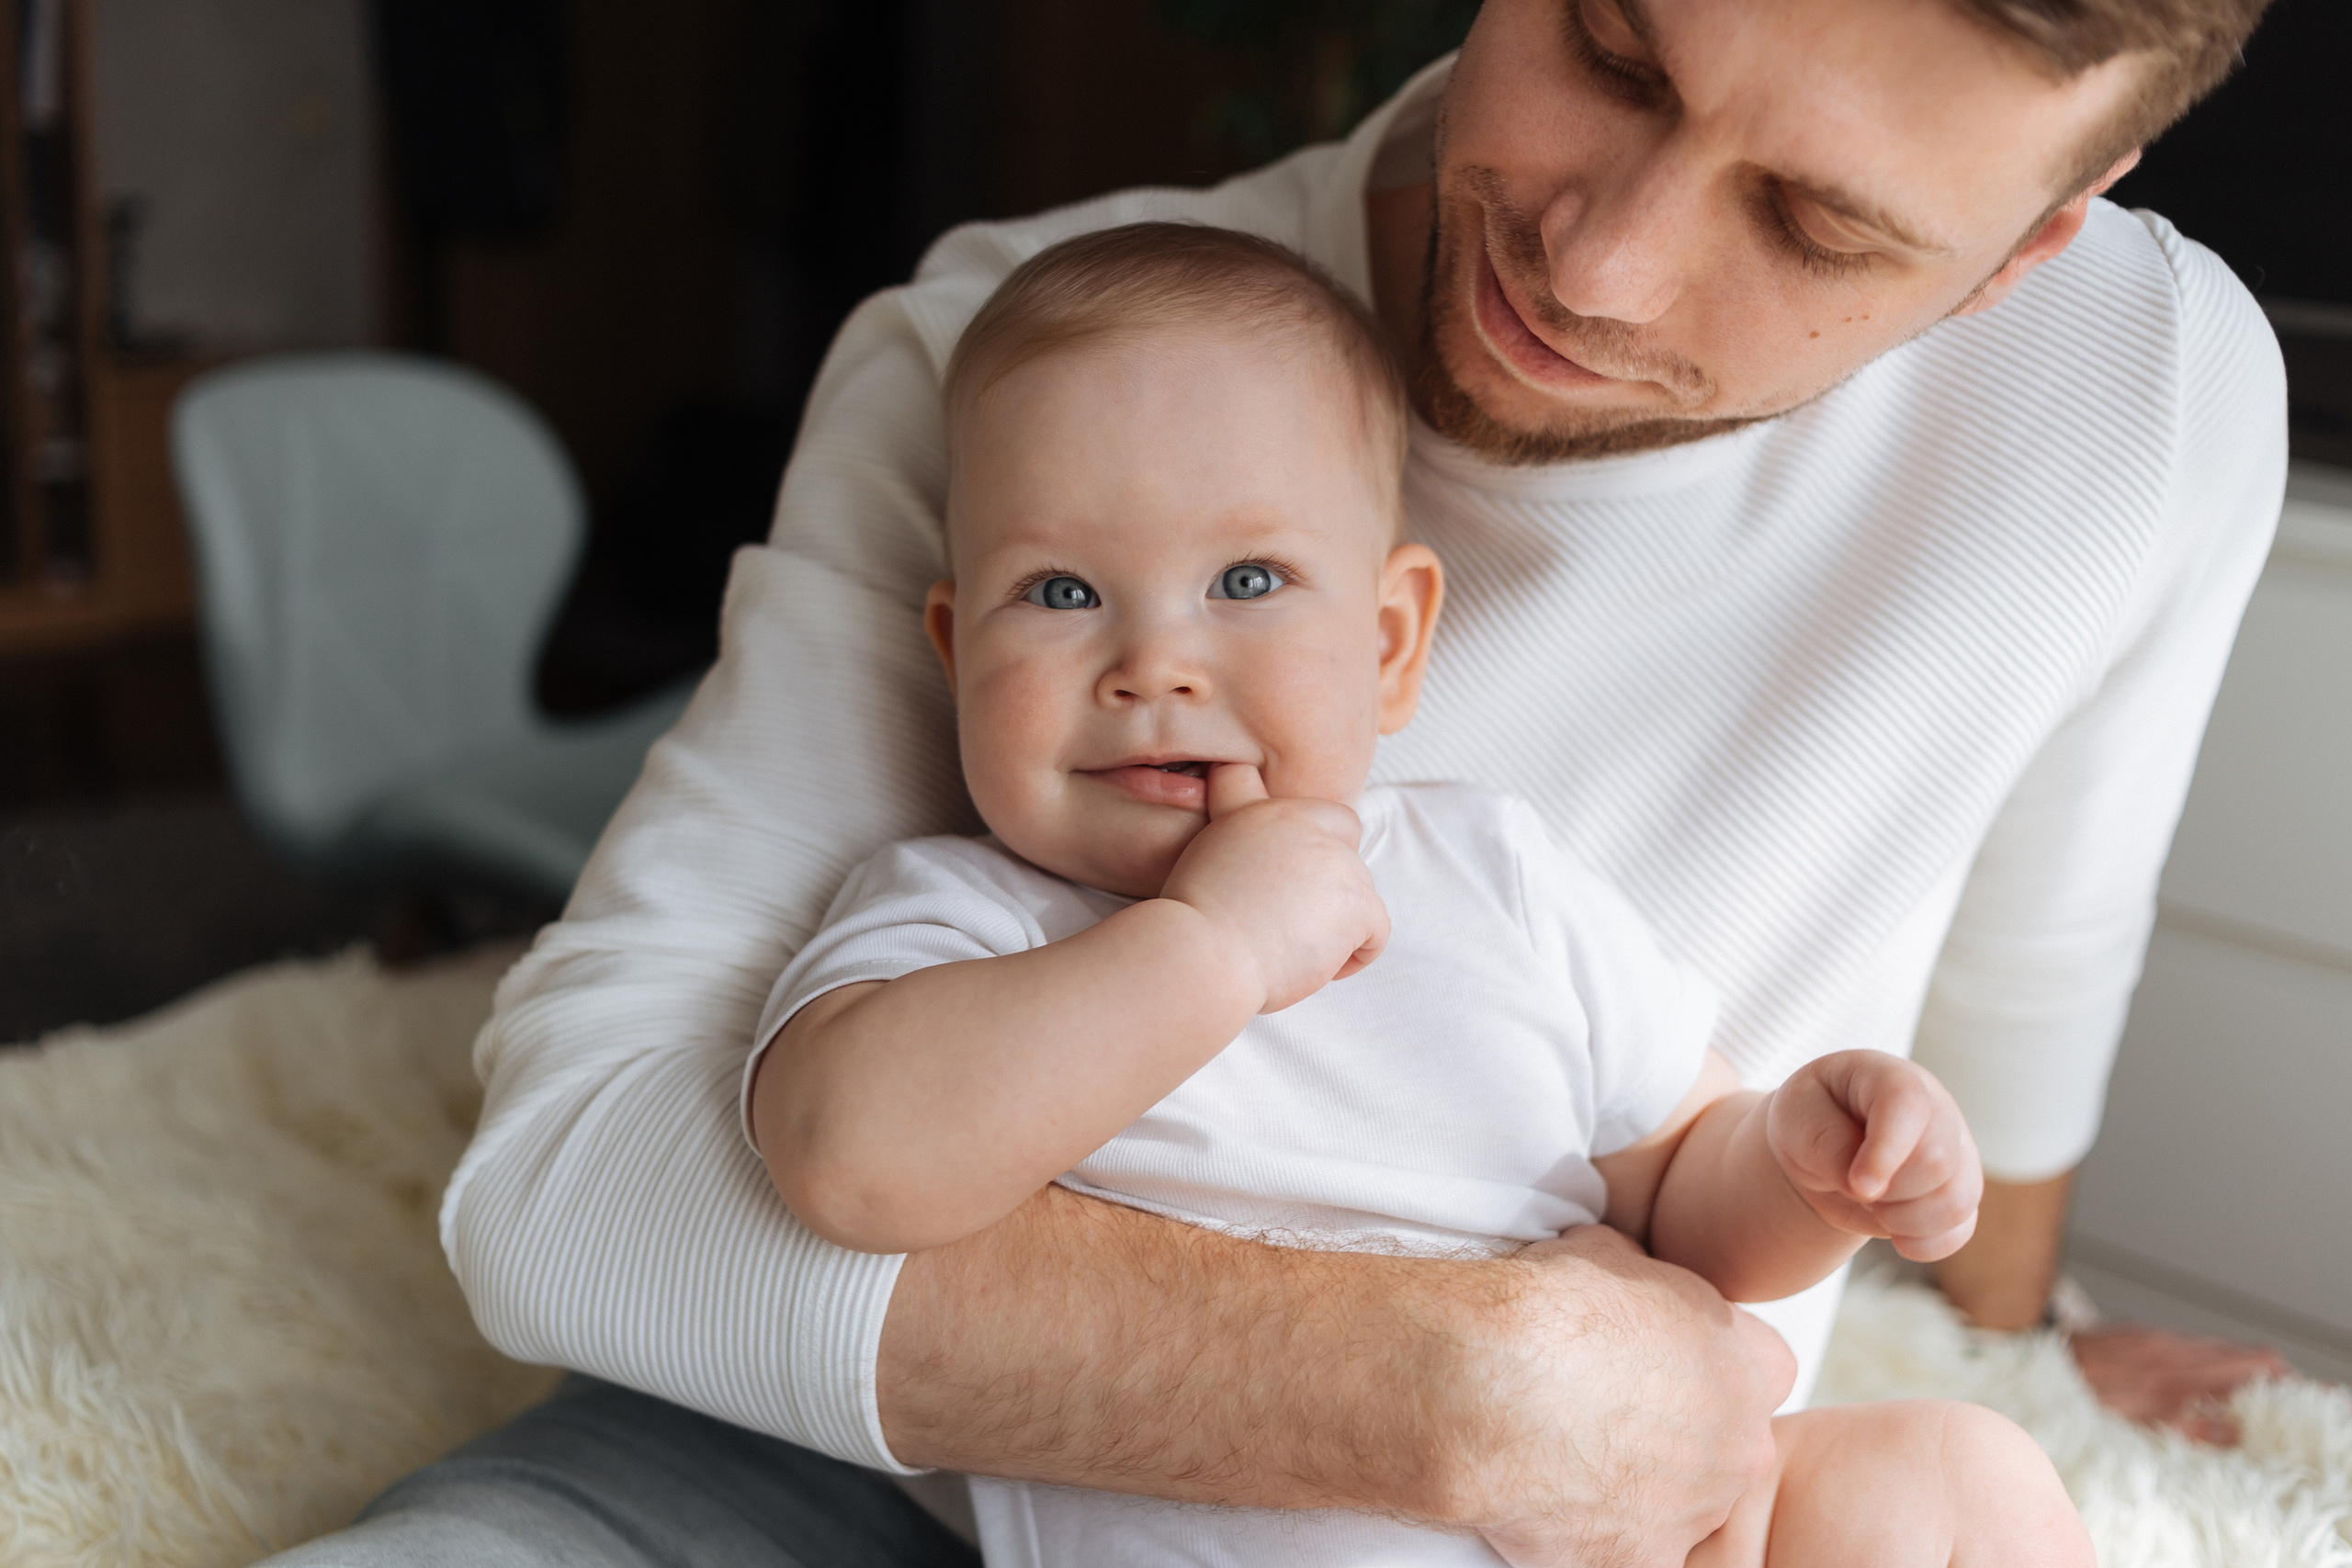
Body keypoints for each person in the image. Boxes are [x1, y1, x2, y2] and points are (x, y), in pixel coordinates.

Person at [262, 1, 2290, 1564]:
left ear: (2033, 241)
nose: (1594, 266)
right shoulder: (1016, 365)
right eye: (1605, 46)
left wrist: (1990, 1307)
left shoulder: (2143, 402)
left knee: (1960, 1479)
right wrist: (1429, 1381)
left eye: (1810, 222)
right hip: (901, 1467)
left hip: (1629, 1495)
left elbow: (2020, 967)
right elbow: (578, 1191)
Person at [753, 219, 2094, 1568]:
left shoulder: (1488, 872)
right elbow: (847, 1161)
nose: (1153, 661)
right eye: (1058, 590)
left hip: (1649, 1524)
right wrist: (1212, 944)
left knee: (1957, 1482)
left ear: (1388, 644)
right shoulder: (965, 921)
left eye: (1248, 580)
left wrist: (1806, 1168)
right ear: (951, 646)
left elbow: (1682, 1193)